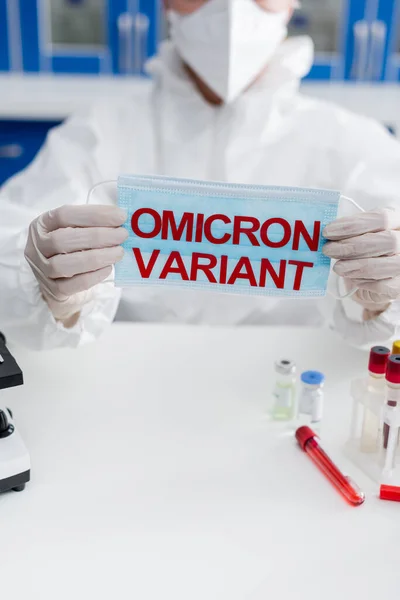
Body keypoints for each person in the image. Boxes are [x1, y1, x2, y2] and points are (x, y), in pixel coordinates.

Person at [1, 0, 400, 351]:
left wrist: (381, 299)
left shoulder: (355, 144)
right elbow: (11, 240)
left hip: (288, 383)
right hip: (124, 380)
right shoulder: (98, 132)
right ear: (166, 4)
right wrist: (45, 289)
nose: (229, 9)